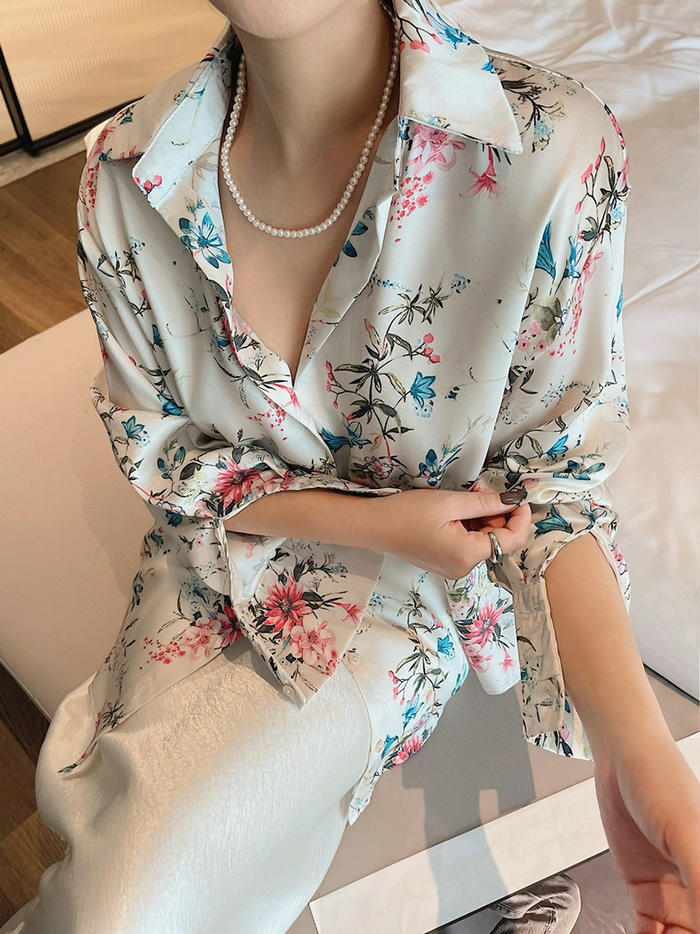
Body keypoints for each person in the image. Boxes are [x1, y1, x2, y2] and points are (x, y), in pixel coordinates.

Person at [3, 1, 698, 932]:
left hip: (404, 603)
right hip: (211, 561)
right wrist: (367, 518)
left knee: (127, 902)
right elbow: (164, 454)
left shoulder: (550, 148)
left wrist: (635, 748)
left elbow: (553, 490)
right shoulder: (124, 174)